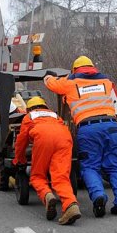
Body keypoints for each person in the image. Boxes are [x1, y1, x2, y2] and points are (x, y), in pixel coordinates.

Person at [44, 56, 117, 217]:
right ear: (93, 68)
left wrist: (48, 77)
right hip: (111, 126)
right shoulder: (106, 81)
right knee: (115, 167)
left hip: (89, 129)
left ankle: (98, 195)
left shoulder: (70, 82)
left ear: (75, 70)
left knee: (90, 166)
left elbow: (52, 84)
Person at [12, 96, 81, 225]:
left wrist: (19, 160)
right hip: (64, 138)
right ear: (45, 106)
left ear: (29, 109)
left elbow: (21, 142)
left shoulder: (29, 117)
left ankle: (47, 195)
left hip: (43, 138)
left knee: (37, 176)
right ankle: (71, 205)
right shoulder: (54, 115)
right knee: (61, 177)